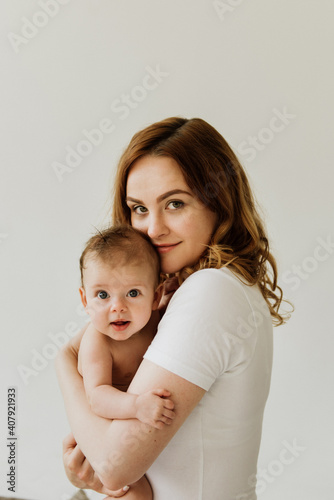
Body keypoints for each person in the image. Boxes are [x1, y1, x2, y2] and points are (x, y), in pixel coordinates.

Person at [56, 117, 291, 500]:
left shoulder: (211, 290)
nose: (152, 229)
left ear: (220, 202)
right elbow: (110, 465)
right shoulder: (184, 292)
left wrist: (63, 362)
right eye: (139, 208)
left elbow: (115, 465)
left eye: (175, 203)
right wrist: (90, 472)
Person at [77, 225, 175, 498]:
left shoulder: (157, 319)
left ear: (156, 296)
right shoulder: (97, 342)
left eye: (133, 293)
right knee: (135, 493)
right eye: (102, 295)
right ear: (85, 299)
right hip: (105, 434)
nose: (117, 307)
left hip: (141, 430)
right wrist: (136, 405)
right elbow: (96, 396)